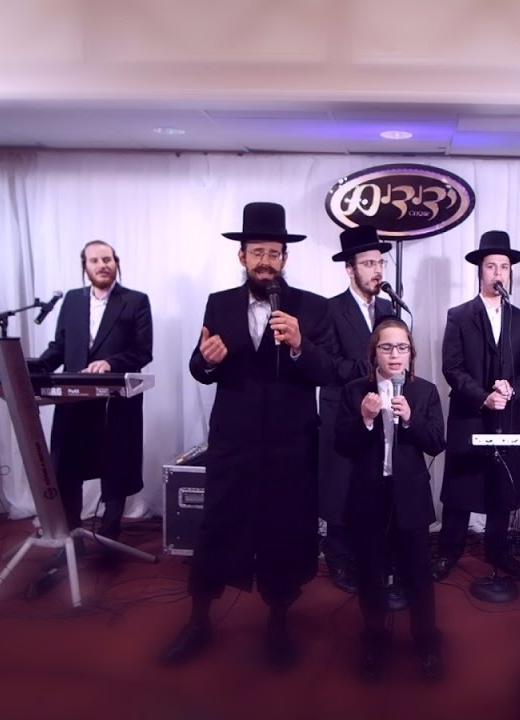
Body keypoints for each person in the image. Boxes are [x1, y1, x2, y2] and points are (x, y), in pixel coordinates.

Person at [163, 201, 334, 669]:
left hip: (290, 448)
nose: (265, 261)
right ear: (241, 256)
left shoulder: (312, 308)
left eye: (274, 253)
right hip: (234, 444)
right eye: (257, 252)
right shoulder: (219, 303)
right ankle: (198, 621)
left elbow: (328, 372)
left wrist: (300, 345)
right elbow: (200, 365)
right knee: (218, 528)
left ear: (285, 258)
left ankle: (278, 625)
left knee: (284, 534)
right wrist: (206, 361)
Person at [26, 240, 153, 595]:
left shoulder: (135, 301)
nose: (102, 265)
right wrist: (35, 366)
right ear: (84, 266)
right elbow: (60, 347)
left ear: (116, 262)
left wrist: (111, 363)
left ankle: (110, 536)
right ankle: (73, 538)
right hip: (74, 400)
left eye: (107, 259)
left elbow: (143, 351)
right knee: (67, 468)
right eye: (94, 260)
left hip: (116, 401)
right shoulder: (72, 300)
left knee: (115, 466)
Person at [335, 317, 445, 682]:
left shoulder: (425, 391)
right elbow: (341, 445)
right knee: (370, 575)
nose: (395, 354)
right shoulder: (354, 391)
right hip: (368, 497)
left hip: (409, 498)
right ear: (374, 354)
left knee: (418, 575)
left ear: (411, 354)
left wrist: (411, 419)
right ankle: (375, 640)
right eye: (386, 347)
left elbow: (437, 442)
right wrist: (365, 419)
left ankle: (426, 643)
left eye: (402, 347)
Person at [430, 231, 520, 582]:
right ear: (480, 271)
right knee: (461, 484)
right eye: (491, 266)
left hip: (508, 413)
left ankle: (497, 549)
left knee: (503, 483)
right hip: (469, 413)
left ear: (510, 273)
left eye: (504, 267)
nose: (498, 272)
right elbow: (452, 367)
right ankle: (449, 550)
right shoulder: (459, 315)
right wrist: (482, 396)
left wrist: (512, 390)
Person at [318, 225, 395, 594]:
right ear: (350, 269)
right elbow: (328, 364)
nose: (377, 270)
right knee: (340, 484)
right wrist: (371, 368)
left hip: (381, 410)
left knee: (373, 481)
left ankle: (371, 552)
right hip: (343, 411)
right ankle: (336, 556)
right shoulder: (330, 309)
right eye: (368, 263)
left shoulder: (388, 308)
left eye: (380, 262)